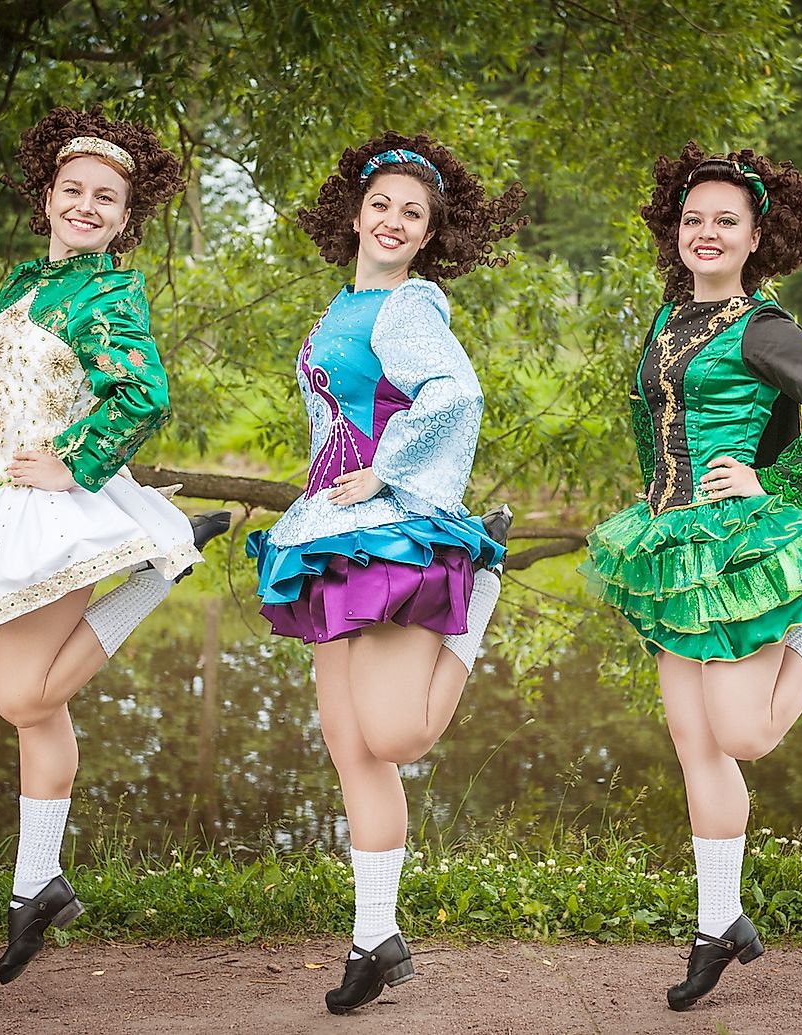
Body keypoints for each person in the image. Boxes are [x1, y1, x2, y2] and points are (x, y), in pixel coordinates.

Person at [0, 106, 229, 984]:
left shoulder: (111, 291)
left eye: (104, 198)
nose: (85, 205)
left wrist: (68, 461)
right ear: (46, 199)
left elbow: (142, 393)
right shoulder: (15, 286)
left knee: (17, 697)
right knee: (35, 706)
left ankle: (154, 577)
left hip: (58, 501)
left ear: (123, 216)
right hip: (1, 493)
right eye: (72, 190)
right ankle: (35, 885)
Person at [579, 142, 802, 1011]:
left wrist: (775, 483)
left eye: (725, 222)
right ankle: (720, 922)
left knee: (743, 733)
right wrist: (653, 503)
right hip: (672, 546)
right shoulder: (666, 320)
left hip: (744, 540)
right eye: (692, 219)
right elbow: (649, 418)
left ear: (757, 237)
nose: (704, 233)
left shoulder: (762, 325)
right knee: (694, 740)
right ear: (675, 231)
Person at [246, 132, 526, 1014]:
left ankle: (480, 592)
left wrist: (392, 471)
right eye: (384, 206)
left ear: (429, 231)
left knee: (397, 734)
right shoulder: (340, 305)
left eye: (414, 212)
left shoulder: (409, 307)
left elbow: (456, 394)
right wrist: (327, 490)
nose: (395, 221)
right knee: (350, 745)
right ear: (356, 215)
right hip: (331, 527)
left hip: (393, 525)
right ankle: (374, 938)